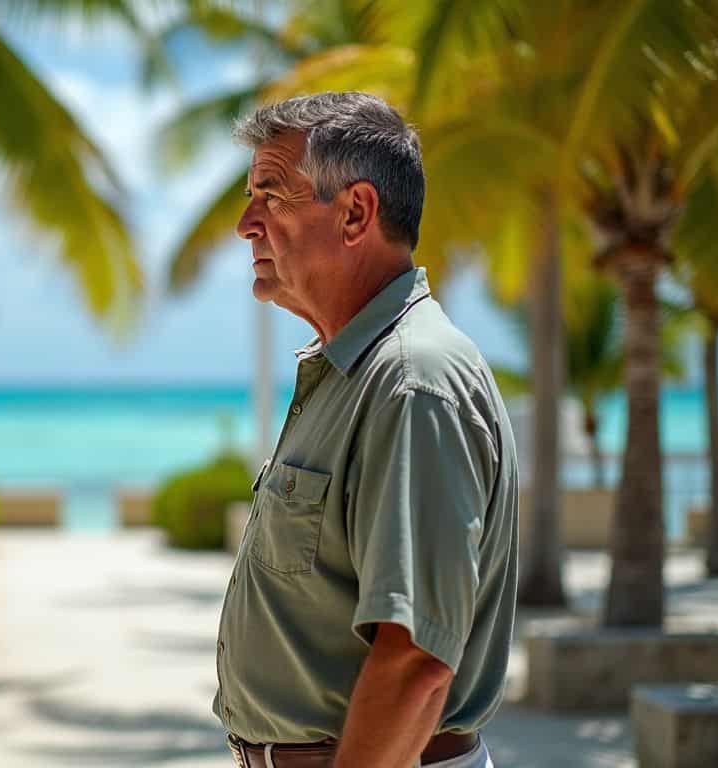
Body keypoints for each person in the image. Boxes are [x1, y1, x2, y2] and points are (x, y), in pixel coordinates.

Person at [215, 92, 518, 768]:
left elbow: (416, 662)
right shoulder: (358, 373)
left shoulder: (413, 381)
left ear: (355, 213)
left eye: (272, 195)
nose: (245, 224)